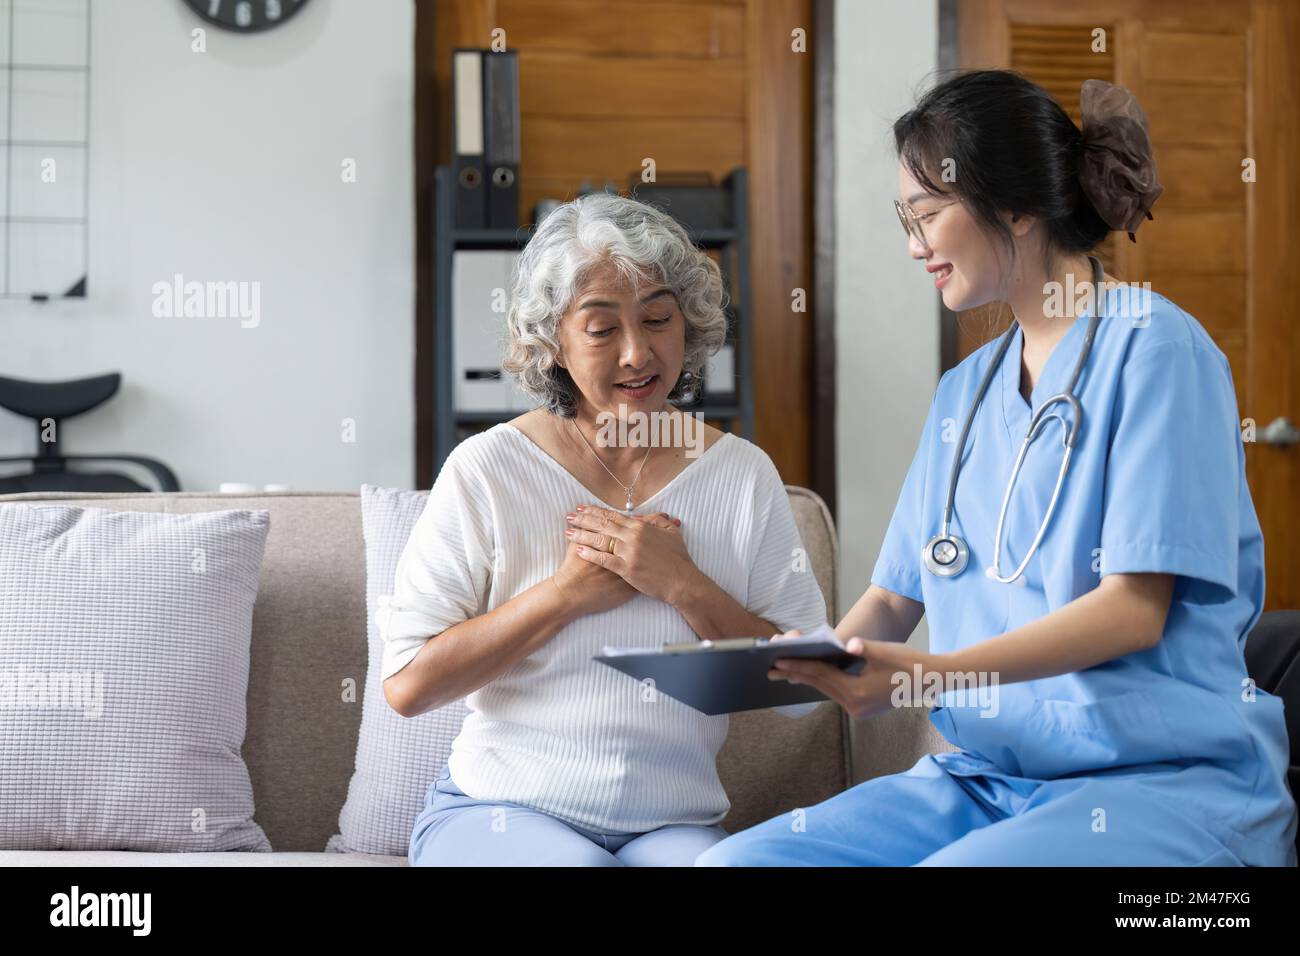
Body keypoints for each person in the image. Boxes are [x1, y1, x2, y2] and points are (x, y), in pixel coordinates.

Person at [697, 71, 1297, 867]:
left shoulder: (1157, 351)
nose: (915, 245)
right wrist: (801, 665)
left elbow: (1133, 612)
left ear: (1015, 205)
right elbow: (890, 601)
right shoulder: (965, 392)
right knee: (734, 865)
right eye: (905, 220)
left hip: (1159, 784)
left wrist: (932, 677)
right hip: (989, 779)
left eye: (928, 215)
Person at [382, 192, 827, 866]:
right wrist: (565, 596)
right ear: (552, 339)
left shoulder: (741, 475)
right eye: (601, 328)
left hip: (673, 824)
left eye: (657, 319)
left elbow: (808, 691)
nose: (636, 353)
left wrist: (683, 585)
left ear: (691, 326)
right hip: (500, 812)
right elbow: (409, 686)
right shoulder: (487, 469)